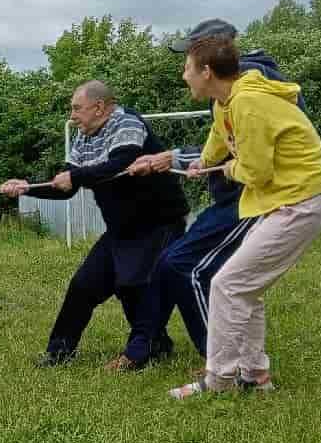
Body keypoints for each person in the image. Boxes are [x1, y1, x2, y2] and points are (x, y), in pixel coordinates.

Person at [124, 19, 302, 362]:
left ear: (210, 59)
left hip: (252, 198)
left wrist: (180, 158)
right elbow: (224, 140)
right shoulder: (228, 94)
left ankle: (222, 363)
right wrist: (184, 159)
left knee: (188, 266)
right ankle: (145, 348)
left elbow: (257, 152)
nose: (183, 70)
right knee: (176, 265)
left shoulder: (250, 87)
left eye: (189, 58)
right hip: (235, 194)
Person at [168, 33, 321, 399]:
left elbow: (256, 173)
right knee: (246, 287)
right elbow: (217, 133)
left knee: (227, 284)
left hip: (301, 201)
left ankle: (218, 383)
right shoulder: (226, 100)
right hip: (283, 200)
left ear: (207, 72)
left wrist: (227, 170)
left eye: (187, 70)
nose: (184, 77)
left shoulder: (249, 103)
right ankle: (256, 376)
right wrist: (204, 162)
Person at [2, 81, 187, 369]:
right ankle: (58, 353)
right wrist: (27, 187)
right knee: (83, 286)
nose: (72, 115)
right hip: (121, 229)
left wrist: (74, 177)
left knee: (133, 284)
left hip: (159, 223)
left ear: (99, 107)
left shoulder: (127, 122)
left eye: (77, 108)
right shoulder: (84, 136)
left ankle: (142, 351)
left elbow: (121, 165)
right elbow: (65, 184)